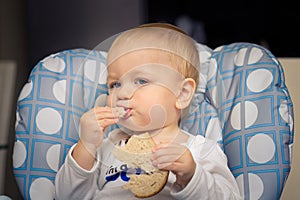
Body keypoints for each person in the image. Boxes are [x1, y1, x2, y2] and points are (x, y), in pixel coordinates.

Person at [55, 23, 241, 199]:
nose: (122, 93)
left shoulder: (200, 150)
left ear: (182, 94)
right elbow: (66, 197)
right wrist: (86, 145)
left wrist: (192, 176)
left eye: (141, 81)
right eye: (115, 84)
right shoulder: (106, 148)